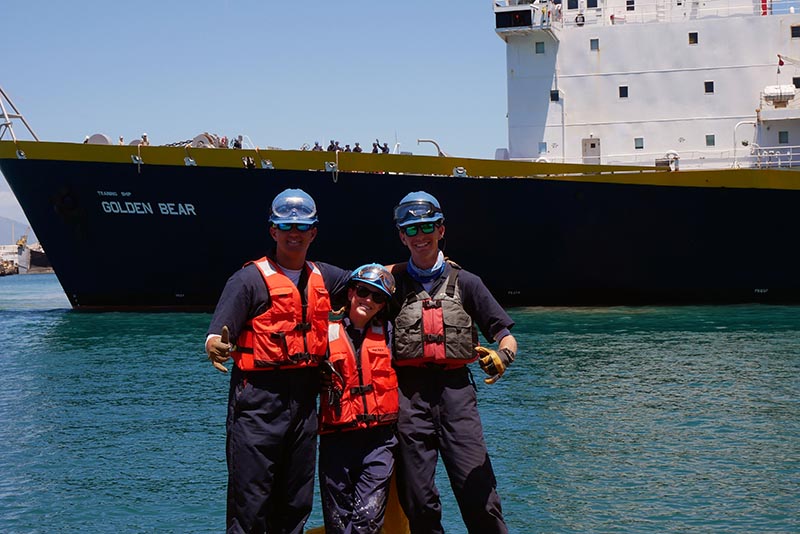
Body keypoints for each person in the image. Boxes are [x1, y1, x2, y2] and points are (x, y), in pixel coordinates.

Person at [205, 188, 351, 534]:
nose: (294, 234)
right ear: (273, 231)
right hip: (257, 403)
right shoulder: (247, 281)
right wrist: (214, 345)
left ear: (313, 232)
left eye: (302, 228)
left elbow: (368, 280)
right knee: (250, 504)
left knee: (296, 502)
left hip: (304, 404)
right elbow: (216, 332)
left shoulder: (325, 277)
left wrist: (414, 267)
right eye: (286, 227)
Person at [388, 191, 518, 533]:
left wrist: (502, 357)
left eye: (427, 227)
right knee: (418, 499)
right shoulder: (391, 285)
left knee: (479, 494)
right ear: (402, 236)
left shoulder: (468, 283)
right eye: (411, 230)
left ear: (441, 229)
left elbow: (504, 334)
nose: (421, 236)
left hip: (457, 396)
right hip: (409, 399)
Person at [318, 264, 403, 534]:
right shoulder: (323, 333)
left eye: (377, 297)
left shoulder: (390, 334)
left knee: (368, 518)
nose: (368, 300)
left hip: (378, 442)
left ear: (382, 306)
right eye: (364, 292)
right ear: (351, 292)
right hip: (336, 441)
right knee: (338, 521)